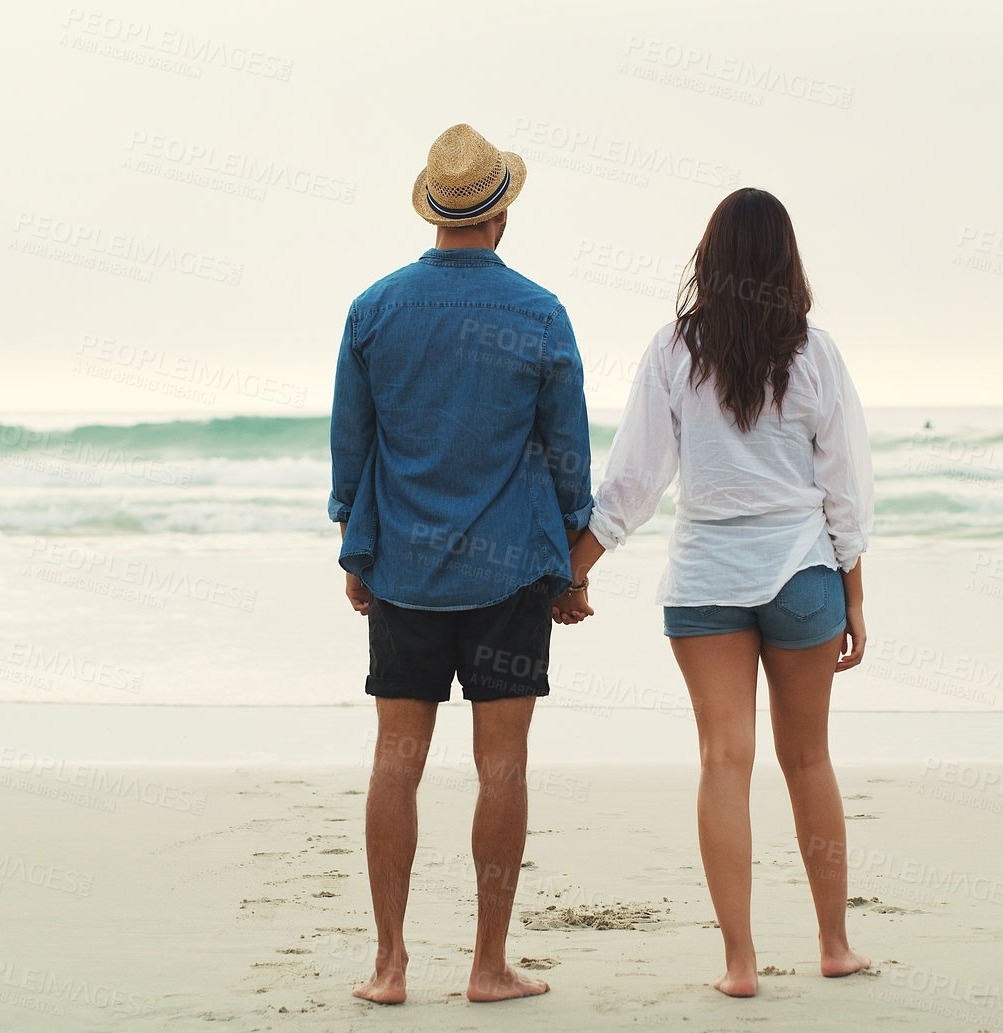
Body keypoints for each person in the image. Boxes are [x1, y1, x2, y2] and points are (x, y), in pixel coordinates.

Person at [556, 187, 875, 998]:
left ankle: (740, 963)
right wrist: (855, 592)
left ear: (712, 258)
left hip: (703, 581)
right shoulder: (816, 354)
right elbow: (845, 486)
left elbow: (634, 477)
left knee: (723, 762)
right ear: (784, 261)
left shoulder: (674, 350)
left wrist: (578, 563)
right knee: (808, 760)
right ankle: (834, 945)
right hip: (803, 573)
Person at [329, 123, 591, 1005]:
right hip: (511, 571)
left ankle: (389, 964)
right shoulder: (541, 313)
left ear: (436, 211)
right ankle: (486, 964)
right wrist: (571, 565)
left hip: (403, 568)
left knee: (395, 762)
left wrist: (355, 550)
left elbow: (353, 452)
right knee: (503, 765)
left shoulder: (375, 309)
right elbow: (568, 458)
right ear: (501, 213)